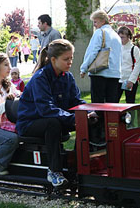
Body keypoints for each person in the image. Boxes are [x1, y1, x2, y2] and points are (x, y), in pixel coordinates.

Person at [16, 39, 91, 187]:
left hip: (54, 118)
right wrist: (73, 119)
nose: (70, 62)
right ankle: (54, 171)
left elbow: (76, 101)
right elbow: (46, 109)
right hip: (30, 122)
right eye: (66, 59)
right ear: (53, 59)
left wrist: (89, 112)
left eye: (71, 58)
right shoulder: (40, 78)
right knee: (53, 123)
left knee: (88, 122)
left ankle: (78, 166)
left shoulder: (67, 77)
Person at [80, 10, 122, 103]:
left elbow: (92, 52)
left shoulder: (100, 32)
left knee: (98, 104)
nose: (94, 24)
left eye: (95, 21)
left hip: (99, 72)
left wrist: (84, 68)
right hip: (114, 73)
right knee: (112, 104)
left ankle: (100, 118)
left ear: (102, 21)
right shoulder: (116, 35)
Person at [117, 26, 140, 103]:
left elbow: (138, 65)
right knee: (113, 101)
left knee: (130, 102)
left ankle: (130, 115)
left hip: (129, 79)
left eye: (122, 37)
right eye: (119, 37)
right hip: (118, 79)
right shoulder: (117, 48)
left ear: (129, 37)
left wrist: (131, 80)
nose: (121, 39)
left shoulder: (134, 49)